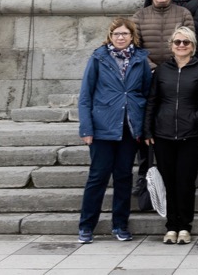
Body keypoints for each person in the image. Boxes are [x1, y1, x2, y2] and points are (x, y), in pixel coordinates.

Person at [77, 17, 151, 244]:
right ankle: (86, 226)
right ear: (110, 36)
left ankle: (120, 225)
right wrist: (86, 128)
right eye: (117, 34)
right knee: (98, 177)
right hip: (102, 128)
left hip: (129, 129)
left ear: (132, 37)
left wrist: (144, 128)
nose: (121, 38)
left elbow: (146, 95)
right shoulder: (99, 58)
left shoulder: (140, 60)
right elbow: (85, 96)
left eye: (125, 34)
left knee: (123, 177)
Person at [144, 26, 198, 244]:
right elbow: (152, 100)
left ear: (193, 47)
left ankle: (185, 226)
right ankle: (171, 226)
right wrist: (147, 128)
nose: (181, 46)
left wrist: (195, 119)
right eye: (177, 42)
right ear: (171, 46)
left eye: (186, 42)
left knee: (185, 182)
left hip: (190, 136)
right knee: (168, 181)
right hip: (163, 134)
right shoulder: (163, 70)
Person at [133, 0, 195, 67]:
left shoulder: (184, 14)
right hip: (147, 70)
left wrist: (173, 67)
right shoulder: (139, 16)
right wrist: (151, 66)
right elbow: (135, 47)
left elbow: (189, 44)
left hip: (176, 69)